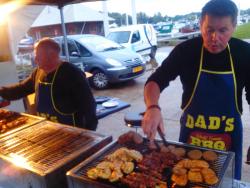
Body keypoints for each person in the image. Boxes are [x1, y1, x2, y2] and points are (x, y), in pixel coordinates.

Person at [142, 0, 250, 180]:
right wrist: (152, 107)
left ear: (234, 27)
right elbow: (155, 81)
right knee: (184, 179)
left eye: (223, 30)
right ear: (200, 25)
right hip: (191, 136)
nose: (215, 38)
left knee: (228, 181)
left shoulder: (244, 53)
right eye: (209, 30)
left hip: (229, 137)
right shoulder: (186, 51)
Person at [0, 38, 98, 130]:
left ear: (52, 55)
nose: (35, 59)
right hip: (47, 128)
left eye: (38, 55)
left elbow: (88, 105)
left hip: (71, 131)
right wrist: (1, 92)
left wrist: (89, 132)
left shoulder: (71, 73)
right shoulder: (38, 72)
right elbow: (22, 89)